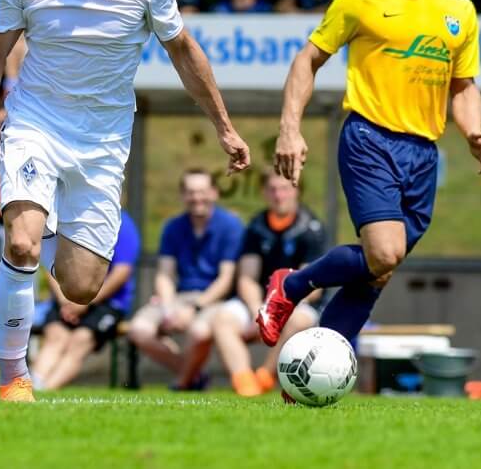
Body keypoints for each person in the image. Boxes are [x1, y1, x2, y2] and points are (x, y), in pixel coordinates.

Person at [0, 0, 250, 402]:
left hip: (104, 138)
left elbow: (183, 51)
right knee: (20, 245)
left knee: (81, 286)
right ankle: (14, 375)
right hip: (36, 121)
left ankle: (14, 194)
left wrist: (226, 128)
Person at [259, 0, 481, 370]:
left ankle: (308, 375)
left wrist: (474, 131)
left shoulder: (461, 12)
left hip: (424, 154)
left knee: (378, 272)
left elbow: (464, 85)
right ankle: (292, 285)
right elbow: (308, 59)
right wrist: (290, 129)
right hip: (371, 139)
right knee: (384, 251)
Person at [210, 171, 325, 396]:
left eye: (284, 189)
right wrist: (259, 310)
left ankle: (265, 377)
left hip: (295, 305)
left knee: (298, 320)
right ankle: (244, 381)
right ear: (264, 192)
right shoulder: (255, 227)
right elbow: (247, 277)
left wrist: (278, 309)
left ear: (297, 191)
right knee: (222, 319)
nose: (278, 195)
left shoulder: (311, 229)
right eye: (272, 189)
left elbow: (313, 287)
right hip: (260, 304)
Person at [127, 169, 243, 390]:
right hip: (179, 296)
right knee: (138, 330)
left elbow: (225, 280)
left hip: (214, 300)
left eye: (202, 192)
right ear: (183, 196)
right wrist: (169, 307)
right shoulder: (173, 226)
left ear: (214, 193)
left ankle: (183, 381)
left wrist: (194, 308)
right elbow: (165, 274)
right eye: (190, 192)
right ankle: (193, 374)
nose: (197, 198)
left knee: (199, 332)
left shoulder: (230, 226)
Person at [31, 210, 140, 390]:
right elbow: (50, 261)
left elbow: (121, 273)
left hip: (107, 303)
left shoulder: (123, 224)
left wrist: (86, 302)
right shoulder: (64, 215)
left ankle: (46, 391)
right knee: (55, 336)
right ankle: (32, 388)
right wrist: (65, 301)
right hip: (65, 301)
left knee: (80, 340)